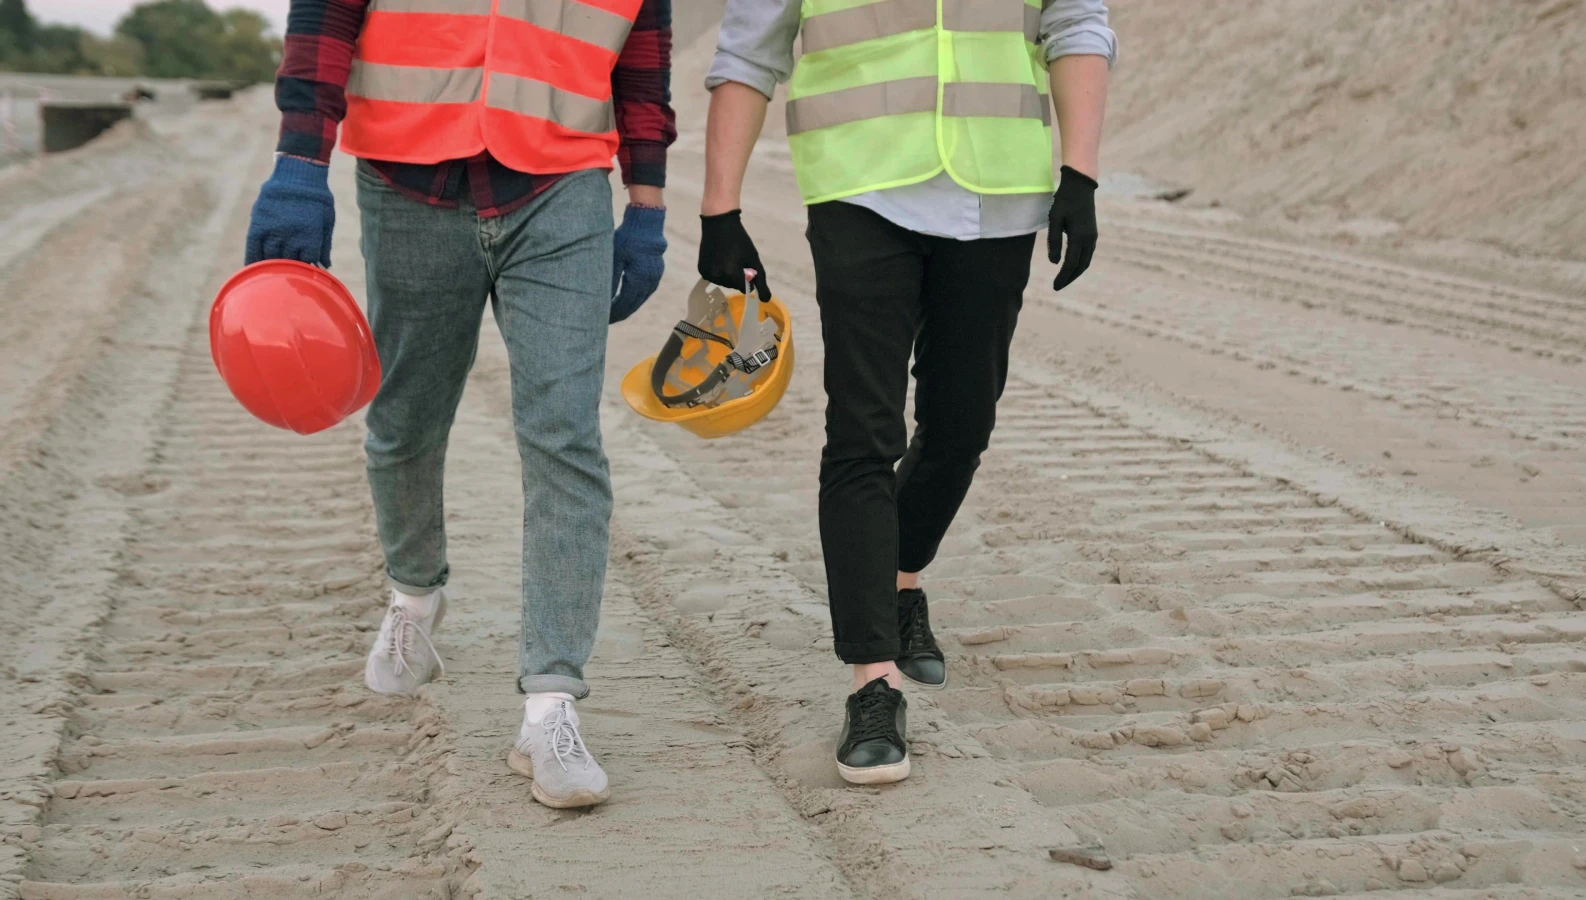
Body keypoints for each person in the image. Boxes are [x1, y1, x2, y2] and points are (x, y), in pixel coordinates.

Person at [243, 0, 676, 808]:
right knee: (404, 421)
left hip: (563, 188)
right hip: (408, 183)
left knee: (563, 436)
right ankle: (415, 593)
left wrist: (646, 205)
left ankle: (550, 705)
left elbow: (644, 66)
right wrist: (300, 163)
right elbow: (324, 19)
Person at [697, 0, 1114, 784]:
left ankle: (901, 579)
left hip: (998, 191)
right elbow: (750, 53)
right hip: (859, 189)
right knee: (863, 431)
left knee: (961, 427)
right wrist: (721, 208)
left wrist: (1081, 171)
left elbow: (1077, 25)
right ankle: (872, 680)